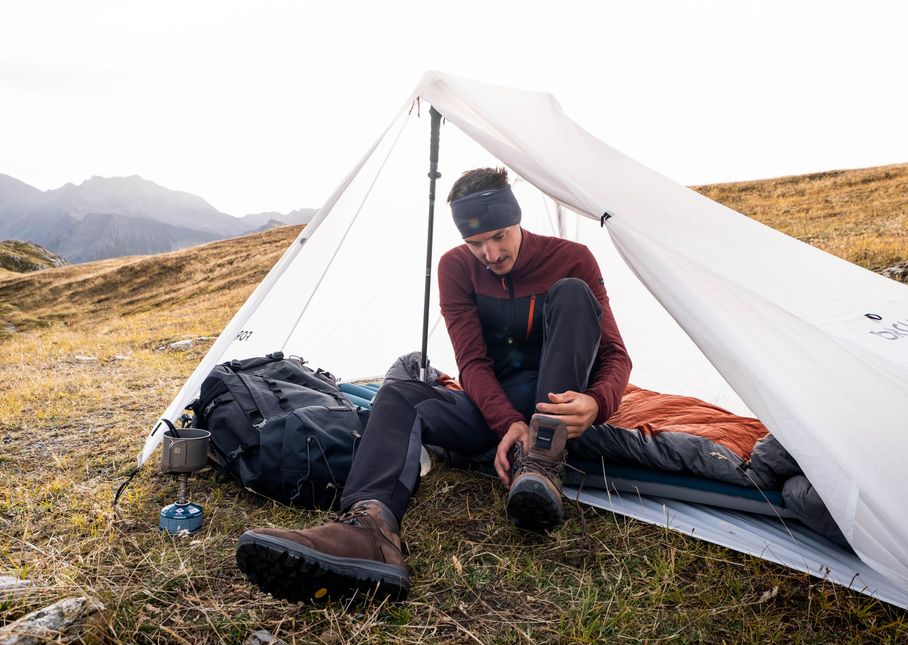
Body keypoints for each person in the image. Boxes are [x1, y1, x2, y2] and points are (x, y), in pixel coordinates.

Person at [236, 167, 632, 603]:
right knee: (399, 394)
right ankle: (371, 528)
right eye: (475, 242)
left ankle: (540, 464)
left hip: (554, 410)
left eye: (499, 235)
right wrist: (505, 424)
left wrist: (597, 403)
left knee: (574, 292)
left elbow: (615, 354)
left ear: (517, 219)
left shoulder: (571, 258)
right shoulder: (456, 268)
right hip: (490, 406)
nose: (490, 253)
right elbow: (472, 363)